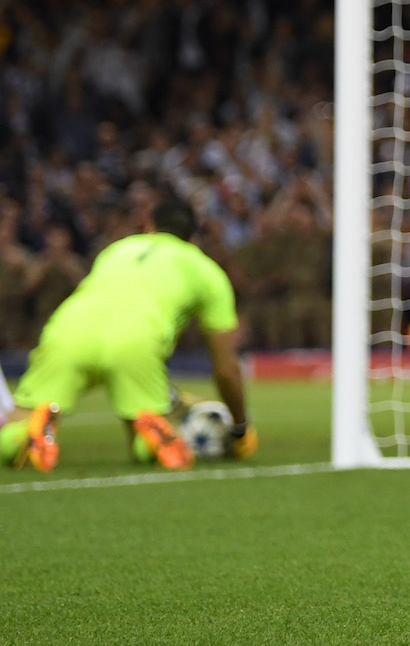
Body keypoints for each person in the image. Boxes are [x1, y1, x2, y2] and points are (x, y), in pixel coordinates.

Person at [0, 198, 258, 473]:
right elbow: (226, 369)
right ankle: (148, 436)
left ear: (149, 225)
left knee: (15, 428)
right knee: (143, 425)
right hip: (136, 339)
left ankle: (33, 428)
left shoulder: (118, 249)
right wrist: (240, 427)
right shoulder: (207, 271)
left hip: (69, 328)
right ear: (194, 238)